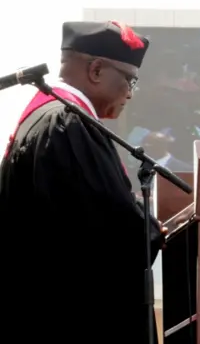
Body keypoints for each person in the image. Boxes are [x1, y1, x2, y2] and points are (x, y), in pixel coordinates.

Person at [0, 21, 165, 343]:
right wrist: (152, 230)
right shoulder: (67, 125)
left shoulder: (49, 119)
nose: (130, 93)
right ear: (97, 70)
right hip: (69, 317)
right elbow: (107, 227)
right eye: (129, 80)